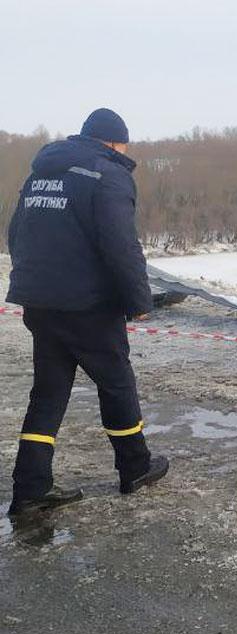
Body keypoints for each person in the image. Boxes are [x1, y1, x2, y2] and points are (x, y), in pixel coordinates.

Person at [5, 108, 169, 515]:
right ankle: (135, 467)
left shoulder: (40, 173)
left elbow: (14, 234)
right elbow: (120, 244)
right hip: (88, 305)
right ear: (113, 143)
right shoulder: (107, 175)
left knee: (48, 392)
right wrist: (139, 300)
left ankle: (30, 488)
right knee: (116, 382)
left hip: (40, 301)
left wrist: (33, 283)